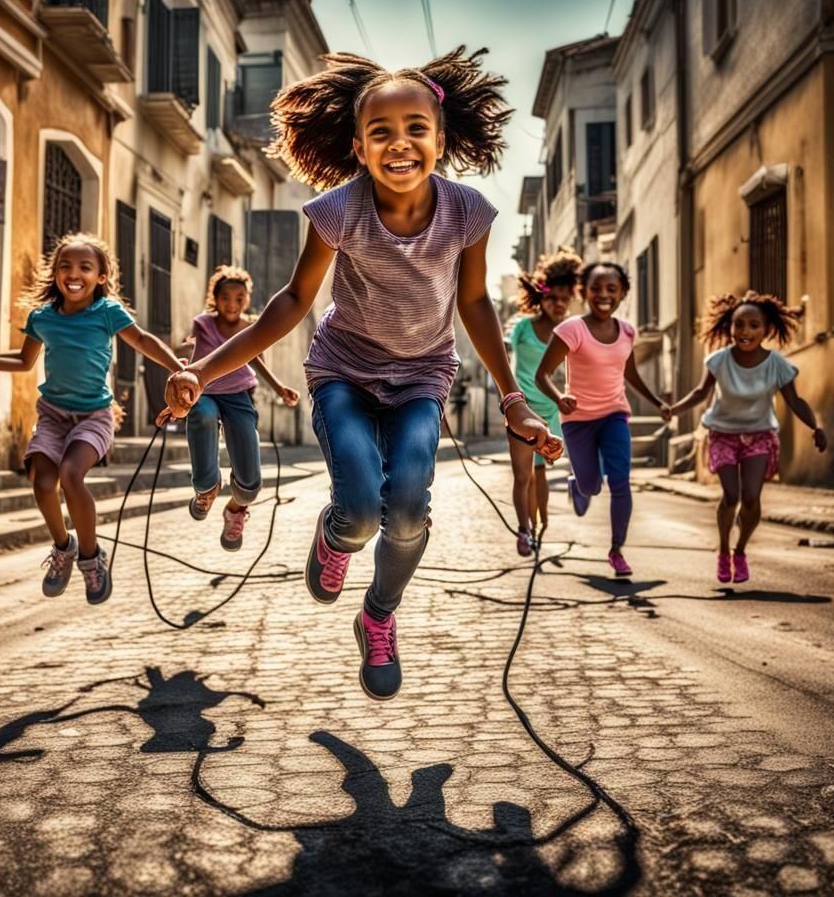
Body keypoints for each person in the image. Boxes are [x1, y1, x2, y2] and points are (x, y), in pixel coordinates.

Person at [160, 47, 557, 700]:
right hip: (343, 372)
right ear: (358, 146)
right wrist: (202, 370)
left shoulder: (468, 214)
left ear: (442, 138)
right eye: (381, 133)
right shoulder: (338, 210)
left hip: (423, 378)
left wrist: (512, 396)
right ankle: (335, 535)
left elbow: (476, 303)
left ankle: (378, 615)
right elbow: (292, 301)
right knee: (360, 513)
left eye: (415, 129)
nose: (399, 144)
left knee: (406, 509)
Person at [0, 232, 184, 604]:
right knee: (42, 482)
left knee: (70, 474)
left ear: (101, 277)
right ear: (56, 274)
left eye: (84, 267)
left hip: (94, 416)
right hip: (53, 416)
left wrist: (179, 369)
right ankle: (65, 546)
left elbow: (142, 341)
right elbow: (24, 361)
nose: (73, 274)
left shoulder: (107, 312)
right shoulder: (42, 318)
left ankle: (92, 560)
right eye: (65, 266)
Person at [669, 291, 827, 583]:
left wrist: (815, 427)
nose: (745, 331)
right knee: (731, 496)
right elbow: (701, 393)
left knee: (751, 497)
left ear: (766, 330)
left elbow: (794, 400)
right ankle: (723, 551)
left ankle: (740, 551)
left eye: (754, 325)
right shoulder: (718, 361)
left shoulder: (776, 364)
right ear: (730, 327)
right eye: (739, 325)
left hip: (759, 436)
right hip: (723, 435)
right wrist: (673, 410)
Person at [535, 262, 671, 578]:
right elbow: (542, 374)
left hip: (614, 414)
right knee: (591, 486)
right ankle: (578, 486)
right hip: (578, 419)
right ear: (584, 292)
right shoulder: (572, 329)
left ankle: (616, 551)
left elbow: (630, 373)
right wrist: (559, 398)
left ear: (622, 293)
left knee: (621, 481)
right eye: (596, 288)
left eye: (612, 289)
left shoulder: (627, 331)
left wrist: (657, 402)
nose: (604, 295)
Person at [177, 265, 300, 551]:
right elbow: (193, 354)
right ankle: (206, 488)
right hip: (206, 392)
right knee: (203, 414)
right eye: (225, 297)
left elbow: (257, 359)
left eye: (239, 298)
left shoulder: (251, 327)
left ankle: (235, 508)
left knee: (250, 485)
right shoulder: (202, 323)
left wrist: (279, 387)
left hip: (239, 394)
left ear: (247, 299)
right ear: (215, 298)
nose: (232, 304)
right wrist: (182, 377)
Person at [506, 247, 582, 555]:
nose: (559, 304)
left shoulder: (570, 333)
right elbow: (506, 361)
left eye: (565, 299)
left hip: (551, 410)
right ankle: (524, 530)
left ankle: (541, 527)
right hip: (522, 410)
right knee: (522, 475)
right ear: (541, 297)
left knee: (541, 473)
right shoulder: (523, 327)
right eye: (552, 297)